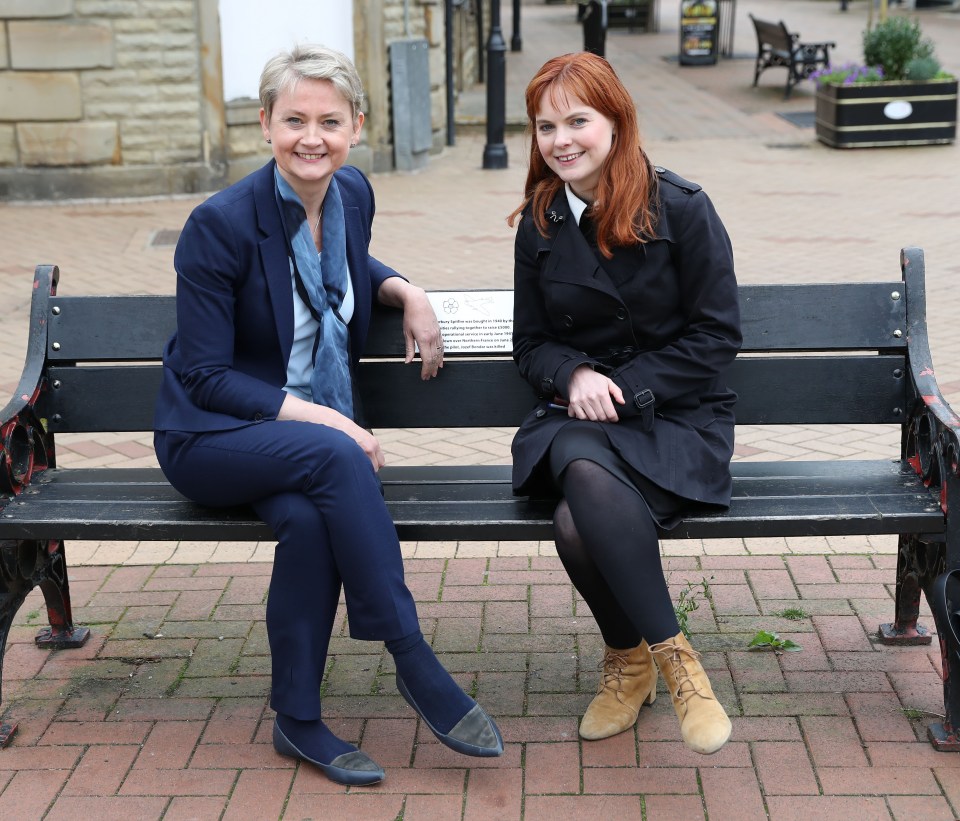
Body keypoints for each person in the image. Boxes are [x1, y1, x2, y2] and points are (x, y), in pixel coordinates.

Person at [153, 44, 503, 786]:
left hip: (301, 445)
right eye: (294, 120)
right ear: (265, 125)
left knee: (311, 517)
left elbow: (344, 265)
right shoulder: (218, 224)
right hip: (213, 436)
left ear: (356, 126)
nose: (311, 137)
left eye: (329, 121)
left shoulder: (352, 196)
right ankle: (414, 659)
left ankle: (297, 719)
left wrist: (405, 289)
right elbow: (206, 375)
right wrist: (323, 418)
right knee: (337, 456)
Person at [507, 52, 741, 755]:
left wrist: (629, 387)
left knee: (576, 519)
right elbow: (531, 344)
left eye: (578, 120)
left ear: (616, 122)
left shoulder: (683, 208)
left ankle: (634, 661)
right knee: (578, 462)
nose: (562, 140)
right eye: (548, 126)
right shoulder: (541, 221)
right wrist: (574, 373)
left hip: (675, 415)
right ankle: (670, 659)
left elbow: (716, 335)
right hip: (581, 414)